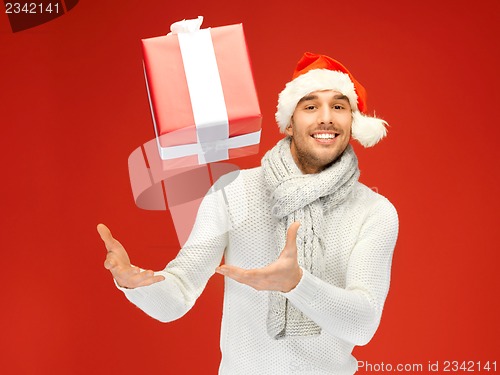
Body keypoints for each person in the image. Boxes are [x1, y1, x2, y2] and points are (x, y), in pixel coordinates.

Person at [98, 52, 399, 374]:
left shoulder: (375, 212)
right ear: (289, 122)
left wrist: (297, 283)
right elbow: (179, 293)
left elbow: (363, 326)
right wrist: (137, 284)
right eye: (310, 106)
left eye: (339, 106)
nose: (326, 118)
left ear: (353, 121)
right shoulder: (234, 191)